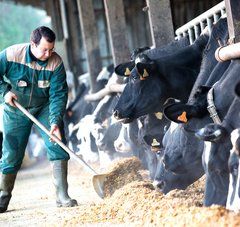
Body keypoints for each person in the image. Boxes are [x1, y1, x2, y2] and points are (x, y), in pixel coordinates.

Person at [0, 26, 78, 212]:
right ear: (32, 44)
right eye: (44, 49)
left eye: (51, 49)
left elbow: (59, 95)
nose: (48, 53)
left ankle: (62, 195)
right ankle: (3, 197)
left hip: (45, 107)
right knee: (11, 153)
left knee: (57, 143)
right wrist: (4, 92)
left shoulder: (56, 63)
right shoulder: (11, 54)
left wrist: (54, 122)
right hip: (16, 108)